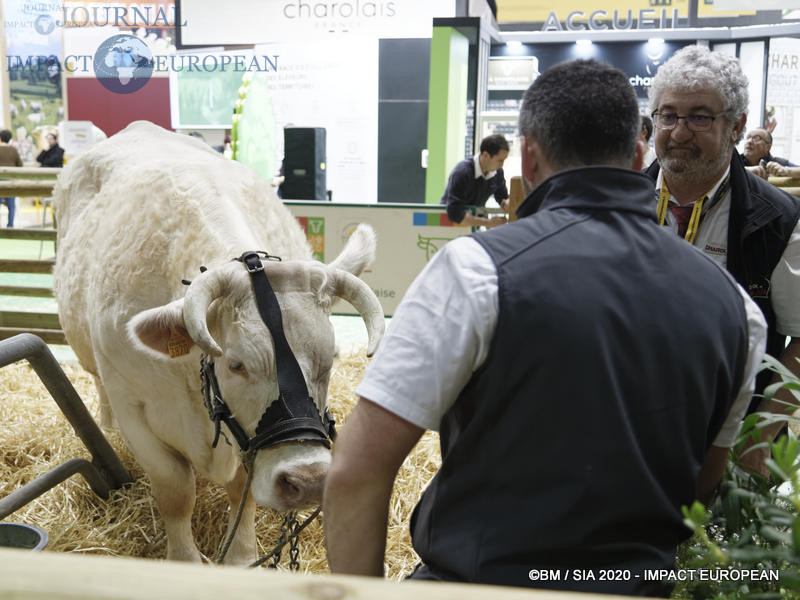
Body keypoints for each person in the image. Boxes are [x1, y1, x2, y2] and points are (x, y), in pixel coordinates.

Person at [323, 59, 767, 597]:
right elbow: (701, 484)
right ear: (636, 156)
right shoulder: (737, 311)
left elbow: (354, 473)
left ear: (528, 157)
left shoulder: (474, 273)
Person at [644, 45, 800, 473]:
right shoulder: (617, 203)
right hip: (626, 431)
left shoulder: (780, 220)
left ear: (737, 127)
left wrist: (761, 435)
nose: (678, 132)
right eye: (668, 115)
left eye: (700, 117)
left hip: (731, 444)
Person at [440, 133, 509, 229]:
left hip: (471, 225)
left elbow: (502, 197)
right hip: (447, 225)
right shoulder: (462, 172)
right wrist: (488, 223)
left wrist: (507, 204)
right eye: (500, 160)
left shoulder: (497, 172)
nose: (502, 165)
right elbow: (455, 213)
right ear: (486, 155)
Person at [0, 129, 23, 227]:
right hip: (10, 180)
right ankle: (10, 226)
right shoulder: (13, 150)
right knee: (11, 205)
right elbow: (20, 164)